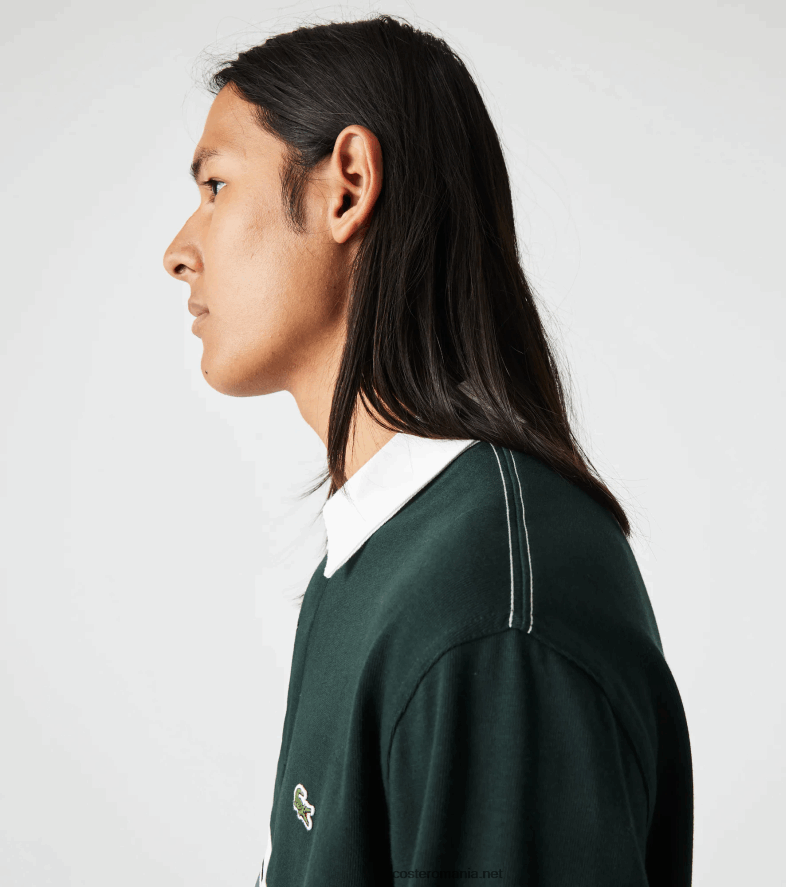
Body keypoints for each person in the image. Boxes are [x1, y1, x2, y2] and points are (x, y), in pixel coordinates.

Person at [163, 14, 693, 886]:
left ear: (347, 186)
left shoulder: (489, 608)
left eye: (216, 185)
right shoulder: (381, 554)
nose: (178, 252)